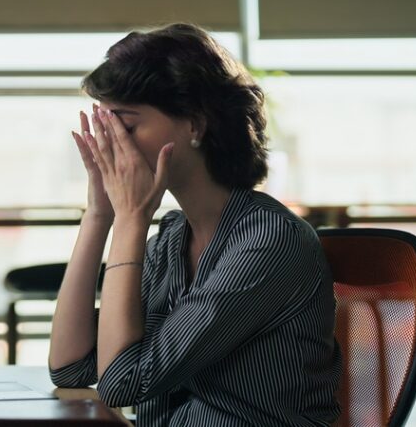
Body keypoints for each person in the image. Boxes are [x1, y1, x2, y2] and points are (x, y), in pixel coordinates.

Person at [48, 23, 341, 426]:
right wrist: (99, 215)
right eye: (106, 128)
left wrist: (132, 219)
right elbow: (71, 368)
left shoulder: (268, 241)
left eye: (127, 127)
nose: (112, 146)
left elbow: (121, 384)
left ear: (195, 125)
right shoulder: (170, 240)